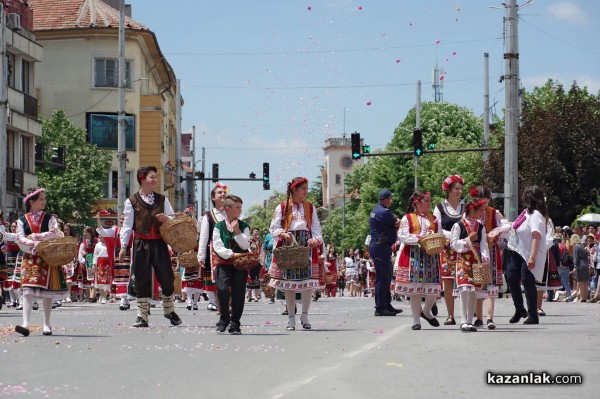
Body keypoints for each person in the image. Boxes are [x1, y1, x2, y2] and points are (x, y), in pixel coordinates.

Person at [118, 166, 182, 328]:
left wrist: (166, 219)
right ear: (142, 179)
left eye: (155, 177)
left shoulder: (162, 199)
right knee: (141, 279)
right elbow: (127, 225)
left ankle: (169, 310)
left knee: (167, 277)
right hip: (141, 243)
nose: (155, 180)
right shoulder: (131, 201)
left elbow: (174, 218)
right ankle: (142, 316)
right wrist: (123, 246)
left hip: (159, 243)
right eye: (152, 177)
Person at [268, 177, 323, 331]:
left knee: (308, 283)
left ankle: (305, 315)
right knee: (289, 284)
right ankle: (291, 317)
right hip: (288, 244)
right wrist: (283, 234)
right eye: (303, 188)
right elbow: (274, 227)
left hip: (306, 245)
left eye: (307, 188)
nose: (306, 191)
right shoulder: (282, 207)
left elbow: (317, 228)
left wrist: (315, 240)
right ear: (294, 190)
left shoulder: (310, 208)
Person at [15, 188, 66, 336]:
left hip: (47, 257)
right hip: (30, 257)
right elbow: (20, 238)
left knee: (47, 292)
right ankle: (25, 323)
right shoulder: (22, 220)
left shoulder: (50, 218)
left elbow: (54, 233)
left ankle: (47, 323)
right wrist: (32, 245)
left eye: (44, 198)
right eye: (41, 199)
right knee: (27, 290)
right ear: (32, 202)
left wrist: (35, 237)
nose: (44, 201)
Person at [395, 190, 442, 330]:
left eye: (429, 200)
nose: (429, 203)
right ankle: (416, 320)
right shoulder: (407, 218)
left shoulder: (433, 218)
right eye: (426, 201)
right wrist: (419, 239)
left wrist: (435, 237)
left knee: (433, 289)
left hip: (431, 255)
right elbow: (402, 236)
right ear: (417, 203)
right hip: (413, 256)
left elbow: (439, 234)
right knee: (415, 290)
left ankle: (426, 311)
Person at [503, 185, 549, 325]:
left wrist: (532, 257)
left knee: (527, 281)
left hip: (528, 253)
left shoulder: (535, 215)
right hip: (516, 250)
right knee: (511, 277)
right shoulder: (525, 213)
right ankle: (519, 308)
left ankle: (533, 314)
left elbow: (536, 236)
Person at [470, 186, 510, 329]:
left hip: (491, 253)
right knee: (478, 284)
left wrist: (496, 230)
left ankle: (489, 318)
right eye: (482, 202)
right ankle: (479, 317)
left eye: (486, 202)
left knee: (491, 286)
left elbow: (506, 226)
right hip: (475, 253)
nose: (484, 205)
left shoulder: (494, 213)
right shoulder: (470, 213)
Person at [213, 195, 251, 334]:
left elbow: (246, 245)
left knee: (238, 293)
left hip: (240, 265)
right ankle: (224, 318)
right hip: (224, 263)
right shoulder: (218, 226)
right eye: (237, 207)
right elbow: (217, 246)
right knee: (222, 289)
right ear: (228, 209)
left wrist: (237, 232)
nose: (240, 210)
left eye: (241, 207)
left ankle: (235, 323)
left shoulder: (244, 226)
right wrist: (231, 254)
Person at [450, 198, 490, 332]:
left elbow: (484, 244)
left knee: (473, 291)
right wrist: (468, 241)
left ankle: (469, 321)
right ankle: (463, 321)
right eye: (480, 211)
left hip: (476, 260)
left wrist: (485, 258)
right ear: (472, 211)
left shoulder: (480, 227)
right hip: (463, 260)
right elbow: (454, 244)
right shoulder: (458, 225)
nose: (482, 213)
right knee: (464, 289)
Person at [433, 174, 465, 325]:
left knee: (466, 281)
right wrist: (451, 235)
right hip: (446, 248)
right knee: (448, 282)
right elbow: (436, 227)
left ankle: (468, 313)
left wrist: (458, 237)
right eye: (456, 189)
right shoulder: (440, 207)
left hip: (462, 248)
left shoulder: (464, 207)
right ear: (449, 190)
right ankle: (450, 315)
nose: (459, 191)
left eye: (460, 189)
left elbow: (468, 224)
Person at [369, 188, 402, 317]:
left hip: (380, 246)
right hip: (381, 247)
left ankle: (386, 304)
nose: (391, 201)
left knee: (387, 276)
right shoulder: (384, 212)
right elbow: (398, 223)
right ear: (387, 199)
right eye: (390, 199)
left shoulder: (376, 210)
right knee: (383, 278)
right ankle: (380, 307)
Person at [197, 183, 229, 312]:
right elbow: (204, 237)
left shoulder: (230, 213)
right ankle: (219, 305)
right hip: (214, 253)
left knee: (228, 280)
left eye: (224, 192)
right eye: (219, 192)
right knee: (216, 281)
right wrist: (201, 256)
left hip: (229, 251)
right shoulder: (209, 215)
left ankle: (226, 306)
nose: (223, 194)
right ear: (213, 197)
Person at [96, 213, 132, 310]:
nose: (122, 221)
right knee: (121, 277)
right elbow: (103, 232)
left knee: (127, 277)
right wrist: (98, 220)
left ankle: (125, 299)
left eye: (124, 219)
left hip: (130, 254)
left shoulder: (132, 230)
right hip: (118, 255)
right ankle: (124, 300)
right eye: (120, 219)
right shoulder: (116, 230)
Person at [571, 235, 590, 302]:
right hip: (585, 263)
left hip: (580, 264)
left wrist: (575, 266)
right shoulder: (581, 246)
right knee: (585, 281)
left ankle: (582, 297)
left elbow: (575, 257)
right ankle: (585, 297)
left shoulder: (576, 246)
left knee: (581, 281)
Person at [246, 228, 262, 302]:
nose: (256, 235)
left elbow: (261, 250)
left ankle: (255, 296)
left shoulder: (259, 241)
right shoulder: (249, 241)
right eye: (255, 234)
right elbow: (247, 249)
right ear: (252, 234)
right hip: (250, 261)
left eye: (257, 234)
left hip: (257, 261)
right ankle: (249, 295)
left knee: (256, 278)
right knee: (250, 277)